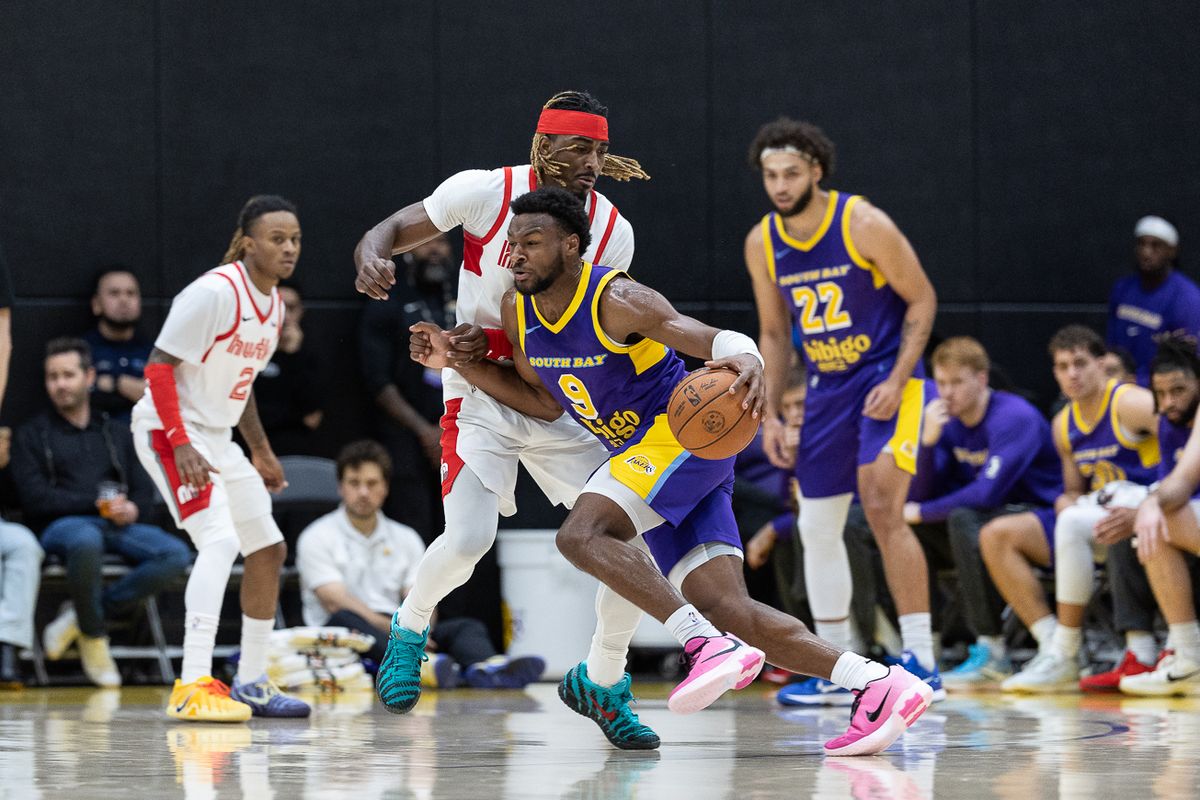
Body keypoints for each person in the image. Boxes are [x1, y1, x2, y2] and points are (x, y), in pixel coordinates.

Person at [412, 187, 932, 757]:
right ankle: (880, 684)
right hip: (655, 461)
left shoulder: (617, 298)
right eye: (511, 244)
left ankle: (700, 645)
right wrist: (459, 362)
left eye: (531, 243)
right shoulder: (518, 309)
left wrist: (750, 359)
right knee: (730, 608)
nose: (515, 255)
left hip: (680, 434)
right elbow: (544, 402)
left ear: (571, 246)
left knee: (581, 535)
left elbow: (707, 338)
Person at [354, 91, 661, 742]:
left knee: (629, 543)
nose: (594, 163)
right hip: (478, 392)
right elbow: (396, 228)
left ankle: (603, 680)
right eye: (582, 148)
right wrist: (372, 252)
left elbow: (582, 327)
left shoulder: (615, 230)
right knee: (467, 540)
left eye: (602, 151)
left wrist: (490, 342)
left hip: (556, 395)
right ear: (544, 146)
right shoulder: (483, 192)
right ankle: (411, 627)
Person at [742, 117, 940, 704]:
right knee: (814, 524)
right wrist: (772, 413)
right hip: (826, 386)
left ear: (816, 171)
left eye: (791, 174)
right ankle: (835, 666)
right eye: (770, 176)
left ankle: (923, 659)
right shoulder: (762, 241)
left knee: (882, 510)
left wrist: (902, 376)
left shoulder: (862, 222)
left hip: (884, 377)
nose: (780, 185)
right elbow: (774, 334)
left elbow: (922, 298)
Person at [132, 195, 310, 720]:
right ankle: (191, 684)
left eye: (295, 239)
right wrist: (181, 440)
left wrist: (260, 449)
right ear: (249, 242)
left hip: (219, 435)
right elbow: (158, 367)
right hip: (170, 429)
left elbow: (243, 383)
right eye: (278, 239)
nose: (289, 248)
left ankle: (251, 681)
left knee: (268, 550)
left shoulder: (274, 305)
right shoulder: (214, 293)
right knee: (219, 539)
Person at [11, 338, 191, 687]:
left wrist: (133, 508)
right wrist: (96, 505)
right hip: (61, 528)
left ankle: (80, 620)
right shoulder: (32, 434)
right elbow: (35, 501)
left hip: (116, 524)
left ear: (89, 377)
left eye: (68, 375)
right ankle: (94, 639)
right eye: (52, 377)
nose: (60, 384)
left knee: (174, 553)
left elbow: (144, 489)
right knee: (85, 538)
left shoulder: (116, 431)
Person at [296, 439, 544, 688]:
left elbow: (424, 590)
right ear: (341, 487)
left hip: (403, 624)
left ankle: (488, 668)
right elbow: (333, 601)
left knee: (466, 626)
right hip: (349, 631)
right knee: (345, 618)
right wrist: (401, 633)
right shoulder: (317, 536)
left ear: (385, 487)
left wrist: (419, 629)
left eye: (371, 483)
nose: (363, 492)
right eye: (354, 483)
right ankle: (423, 667)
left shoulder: (405, 537)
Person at [994, 325, 1159, 692]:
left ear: (1102, 364)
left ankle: (1066, 651)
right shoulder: (1063, 424)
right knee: (1067, 516)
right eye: (1063, 365)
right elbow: (1072, 491)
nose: (1072, 373)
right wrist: (1066, 500)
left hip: (1152, 504)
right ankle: (1062, 651)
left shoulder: (1130, 402)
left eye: (1081, 363)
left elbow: (1183, 442)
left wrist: (1158, 499)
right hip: (1107, 516)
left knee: (1083, 517)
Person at [897, 337, 1061, 687]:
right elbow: (921, 492)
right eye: (941, 383)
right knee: (908, 532)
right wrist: (926, 443)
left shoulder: (1014, 417)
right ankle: (927, 646)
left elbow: (988, 493)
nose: (947, 393)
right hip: (984, 519)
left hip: (1040, 516)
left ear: (982, 379)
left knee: (960, 517)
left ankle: (992, 648)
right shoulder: (944, 421)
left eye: (957, 382)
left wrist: (921, 512)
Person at [358, 233, 457, 536]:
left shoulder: (459, 295)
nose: (436, 250)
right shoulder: (389, 298)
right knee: (412, 522)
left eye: (442, 243)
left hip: (455, 426)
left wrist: (445, 429)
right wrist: (426, 432)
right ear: (408, 252)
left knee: (457, 525)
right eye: (428, 242)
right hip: (405, 431)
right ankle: (410, 584)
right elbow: (378, 381)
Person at [1119, 338, 1200, 695]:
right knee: (1152, 525)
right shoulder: (1169, 424)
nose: (1169, 402)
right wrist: (1148, 508)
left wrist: (1151, 505)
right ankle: (1186, 655)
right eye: (1161, 393)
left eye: (1179, 390)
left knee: (1158, 516)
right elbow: (1175, 489)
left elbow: (1179, 486)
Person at [1106, 215, 1200, 385]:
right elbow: (1111, 345)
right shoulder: (1122, 288)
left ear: (1172, 251)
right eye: (1142, 244)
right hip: (1116, 381)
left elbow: (1188, 361)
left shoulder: (1188, 299)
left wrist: (1141, 381)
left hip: (1160, 389)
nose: (1146, 252)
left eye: (1155, 245)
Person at [252, 280, 325, 456]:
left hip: (293, 447)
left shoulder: (309, 355)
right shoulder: (249, 350)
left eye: (290, 308)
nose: (284, 316)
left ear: (301, 312)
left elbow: (312, 416)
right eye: (278, 307)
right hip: (250, 444)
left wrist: (293, 355)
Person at [83, 266, 152, 421]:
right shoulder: (82, 351)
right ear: (96, 304)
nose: (124, 300)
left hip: (143, 437)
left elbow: (161, 397)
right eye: (114, 293)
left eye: (131, 293)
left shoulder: (153, 351)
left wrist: (116, 383)